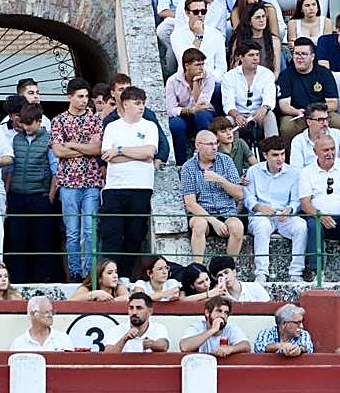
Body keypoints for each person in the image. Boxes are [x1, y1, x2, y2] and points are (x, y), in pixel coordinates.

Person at [100, 86, 159, 276]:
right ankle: (109, 276)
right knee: (112, 235)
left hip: (141, 188)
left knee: (135, 235)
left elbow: (149, 152)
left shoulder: (149, 126)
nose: (141, 107)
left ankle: (124, 275)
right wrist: (136, 154)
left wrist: (119, 150)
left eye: (143, 103)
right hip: (115, 188)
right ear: (125, 104)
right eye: (137, 103)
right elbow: (107, 156)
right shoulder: (112, 127)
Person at [5, 102, 59, 286]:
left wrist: (50, 196)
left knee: (41, 241)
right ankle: (18, 279)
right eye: (24, 124)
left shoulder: (49, 140)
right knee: (17, 240)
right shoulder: (16, 139)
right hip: (17, 196)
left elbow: (55, 171)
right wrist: (7, 194)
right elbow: (11, 169)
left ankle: (42, 280)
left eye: (29, 124)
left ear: (38, 121)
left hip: (39, 196)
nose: (26, 128)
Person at [244, 135, 307, 282]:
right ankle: (261, 273)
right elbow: (248, 197)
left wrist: (290, 209)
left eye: (282, 154)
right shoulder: (253, 171)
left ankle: (296, 273)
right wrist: (259, 206)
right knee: (262, 225)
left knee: (301, 226)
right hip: (261, 213)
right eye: (275, 155)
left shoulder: (294, 173)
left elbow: (296, 199)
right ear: (265, 155)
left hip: (283, 215)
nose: (280, 158)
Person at [299, 134, 340, 279]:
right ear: (315, 152)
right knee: (313, 226)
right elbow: (305, 203)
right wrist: (319, 215)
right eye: (325, 150)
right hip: (318, 217)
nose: (330, 153)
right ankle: (317, 272)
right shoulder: (306, 171)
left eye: (333, 149)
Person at [181, 129, 245, 261]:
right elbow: (190, 203)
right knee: (199, 225)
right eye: (210, 144)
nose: (215, 147)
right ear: (198, 146)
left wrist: (221, 180)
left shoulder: (226, 161)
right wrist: (213, 221)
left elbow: (240, 194)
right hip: (202, 213)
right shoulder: (188, 167)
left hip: (227, 211)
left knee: (237, 226)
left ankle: (229, 268)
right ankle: (198, 268)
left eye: (216, 143)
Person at [180, 296, 251, 356]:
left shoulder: (230, 328)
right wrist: (212, 330)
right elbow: (184, 346)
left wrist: (231, 349)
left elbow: (246, 346)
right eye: (219, 311)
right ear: (207, 313)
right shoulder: (197, 327)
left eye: (226, 313)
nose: (223, 315)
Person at [106, 293, 170, 353]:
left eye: (139, 308)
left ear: (150, 311)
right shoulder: (116, 329)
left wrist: (152, 345)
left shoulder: (158, 328)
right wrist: (124, 339)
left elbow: (164, 346)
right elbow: (108, 355)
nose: (134, 312)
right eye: (131, 308)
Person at [11, 296, 75, 351]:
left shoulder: (63, 339)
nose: (50, 315)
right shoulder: (19, 344)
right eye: (46, 312)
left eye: (51, 311)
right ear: (33, 314)